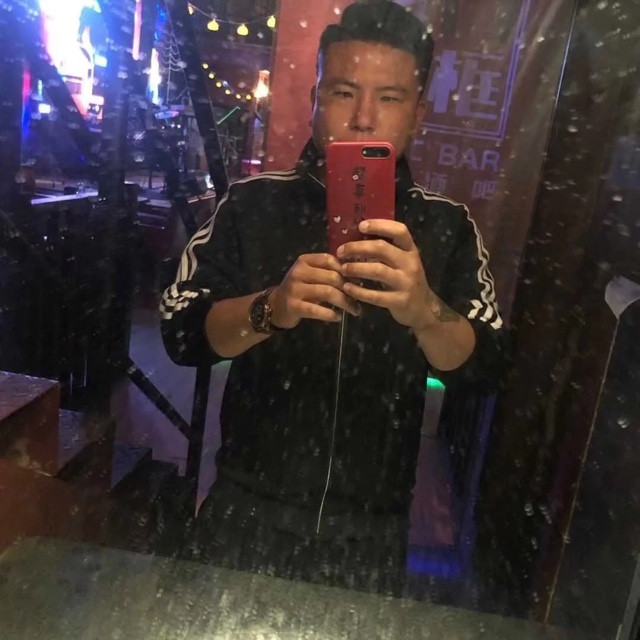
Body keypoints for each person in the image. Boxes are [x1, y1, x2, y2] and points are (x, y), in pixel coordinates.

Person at [160, 0, 507, 597]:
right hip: (246, 508)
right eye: (345, 93)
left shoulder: (447, 227)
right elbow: (180, 332)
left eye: (390, 98)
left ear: (418, 115)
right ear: (316, 99)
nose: (364, 118)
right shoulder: (251, 206)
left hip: (371, 529)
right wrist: (271, 308)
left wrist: (424, 310)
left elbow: (486, 368)